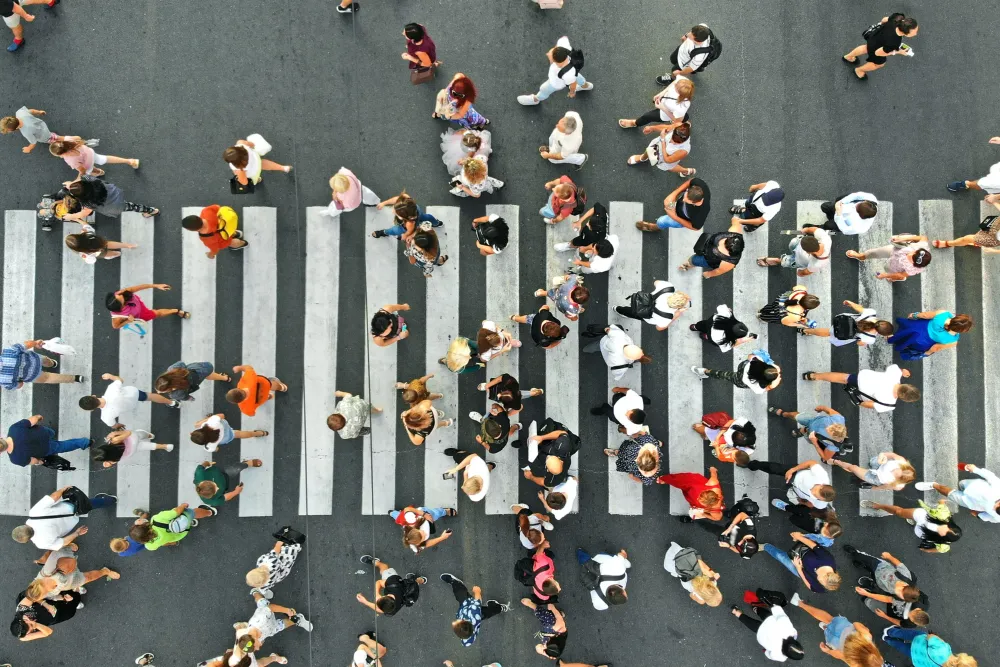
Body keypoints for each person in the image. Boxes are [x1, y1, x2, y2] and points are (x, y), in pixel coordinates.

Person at [843, 545, 928, 628]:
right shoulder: (906, 578)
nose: (895, 591)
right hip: (882, 567)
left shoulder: (900, 600)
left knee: (872, 574)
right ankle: (856, 553)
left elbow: (887, 599)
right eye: (912, 613)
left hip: (881, 583)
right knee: (866, 558)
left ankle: (866, 569)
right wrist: (889, 557)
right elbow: (899, 564)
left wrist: (868, 594)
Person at [787, 595, 883, 666]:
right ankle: (825, 628)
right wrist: (828, 651)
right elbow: (838, 655)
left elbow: (856, 624)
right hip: (835, 642)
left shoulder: (867, 637)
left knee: (828, 618)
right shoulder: (855, 664)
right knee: (829, 632)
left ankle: (799, 603)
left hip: (843, 627)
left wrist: (865, 629)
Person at [11, 486, 116, 550]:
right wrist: (62, 489)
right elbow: (53, 497)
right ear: (22, 526)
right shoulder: (34, 513)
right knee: (89, 503)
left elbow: (64, 542)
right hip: (68, 506)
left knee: (88, 506)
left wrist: (77, 533)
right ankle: (111, 500)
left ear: (27, 540)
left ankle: (107, 501)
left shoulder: (41, 543)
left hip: (73, 519)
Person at [860, 499, 962, 554]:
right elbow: (942, 502)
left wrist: (926, 550)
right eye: (948, 527)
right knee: (898, 511)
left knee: (914, 524)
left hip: (920, 531)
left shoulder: (944, 545)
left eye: (946, 531)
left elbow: (938, 550)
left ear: (943, 538)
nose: (945, 527)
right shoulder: (945, 516)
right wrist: (942, 501)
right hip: (922, 516)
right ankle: (877, 506)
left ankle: (913, 521)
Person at [801, 365, 919, 412]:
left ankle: (813, 376)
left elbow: (895, 368)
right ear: (904, 398)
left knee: (842, 377)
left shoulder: (895, 375)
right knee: (844, 381)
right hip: (861, 390)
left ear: (907, 386)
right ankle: (814, 376)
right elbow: (868, 404)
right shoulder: (889, 404)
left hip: (863, 377)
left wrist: (903, 372)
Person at [80, 372, 179, 427]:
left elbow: (114, 425)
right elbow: (120, 380)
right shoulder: (111, 389)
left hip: (130, 406)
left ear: (92, 409)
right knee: (151, 396)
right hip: (134, 394)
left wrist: (119, 426)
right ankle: (172, 402)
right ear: (93, 396)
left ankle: (172, 403)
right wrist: (110, 376)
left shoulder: (105, 417)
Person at [730, 590, 805, 661]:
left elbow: (780, 615)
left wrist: (773, 605)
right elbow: (769, 654)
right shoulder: (781, 657)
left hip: (770, 621)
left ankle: (756, 608)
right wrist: (766, 651)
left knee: (764, 614)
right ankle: (736, 612)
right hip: (762, 635)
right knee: (751, 623)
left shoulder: (790, 631)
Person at [518, 35, 593, 106]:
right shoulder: (564, 49)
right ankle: (584, 85)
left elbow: (573, 83)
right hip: (572, 73)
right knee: (577, 76)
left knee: (544, 89)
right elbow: (564, 38)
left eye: (550, 56)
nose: (547, 54)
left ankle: (535, 99)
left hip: (557, 82)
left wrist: (572, 92)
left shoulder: (567, 74)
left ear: (557, 62)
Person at [843, 13, 919, 81]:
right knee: (879, 64)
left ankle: (848, 57)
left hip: (875, 36)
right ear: (906, 33)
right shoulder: (895, 42)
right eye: (915, 32)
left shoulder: (898, 17)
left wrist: (881, 24)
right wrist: (899, 52)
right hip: (877, 47)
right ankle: (859, 70)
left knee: (866, 47)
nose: (915, 34)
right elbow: (878, 53)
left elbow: (884, 19)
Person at [916, 463, 1000, 523]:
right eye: (996, 506)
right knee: (961, 483)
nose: (992, 508)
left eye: (994, 510)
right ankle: (957, 487)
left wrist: (978, 515)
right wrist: (975, 469)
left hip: (968, 502)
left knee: (949, 494)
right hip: (973, 486)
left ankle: (934, 485)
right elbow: (990, 477)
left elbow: (989, 518)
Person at [440, 573, 509, 646]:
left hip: (466, 609)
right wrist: (477, 591)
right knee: (489, 611)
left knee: (459, 593)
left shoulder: (466, 641)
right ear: (464, 620)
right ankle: (499, 607)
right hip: (470, 606)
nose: (454, 622)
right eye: (456, 622)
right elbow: (477, 601)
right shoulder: (474, 611)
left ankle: (455, 582)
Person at [2, 414, 92, 468]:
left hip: (46, 449)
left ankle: (85, 442)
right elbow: (33, 420)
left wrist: (40, 462)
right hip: (43, 433)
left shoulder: (15, 459)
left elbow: (33, 461)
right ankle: (53, 433)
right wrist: (38, 417)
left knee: (63, 446)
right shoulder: (14, 429)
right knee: (50, 433)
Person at [762, 532, 841, 593]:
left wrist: (799, 569)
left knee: (780, 557)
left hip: (800, 569)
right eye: (821, 581)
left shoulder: (821, 588)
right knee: (781, 557)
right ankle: (766, 547)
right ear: (827, 575)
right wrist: (799, 537)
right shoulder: (828, 559)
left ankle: (766, 547)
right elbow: (813, 546)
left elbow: (810, 586)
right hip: (804, 553)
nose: (818, 581)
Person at [745, 459, 836, 510]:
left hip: (795, 488)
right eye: (816, 489)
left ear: (821, 500)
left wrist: (802, 501)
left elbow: (811, 504)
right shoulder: (821, 476)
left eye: (816, 495)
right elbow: (811, 463)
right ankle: (754, 465)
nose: (812, 491)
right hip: (796, 473)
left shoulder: (821, 504)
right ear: (822, 484)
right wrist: (792, 470)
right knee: (774, 468)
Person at [798, 300, 893, 347]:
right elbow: (859, 343)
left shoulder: (871, 313)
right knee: (828, 333)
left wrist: (850, 303)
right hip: (844, 333)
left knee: (828, 330)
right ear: (880, 333)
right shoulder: (870, 339)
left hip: (844, 320)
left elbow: (858, 308)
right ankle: (806, 331)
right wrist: (863, 344)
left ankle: (807, 330)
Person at [769, 406, 848, 463]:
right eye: (829, 426)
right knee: (796, 416)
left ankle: (802, 431)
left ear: (834, 437)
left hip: (814, 437)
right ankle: (784, 414)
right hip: (812, 420)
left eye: (828, 431)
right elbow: (828, 410)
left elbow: (825, 457)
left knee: (807, 433)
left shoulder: (834, 446)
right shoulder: (838, 419)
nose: (826, 428)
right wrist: (821, 408)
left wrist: (814, 442)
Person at [57, 175, 158, 220]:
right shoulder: (88, 179)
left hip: (113, 206)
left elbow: (85, 213)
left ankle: (152, 211)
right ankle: (150, 210)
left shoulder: (86, 203)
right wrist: (71, 185)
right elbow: (81, 178)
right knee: (130, 205)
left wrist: (71, 217)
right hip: (113, 192)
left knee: (130, 207)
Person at [128, 503, 217, 551]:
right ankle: (210, 512)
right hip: (180, 519)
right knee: (193, 513)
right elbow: (175, 512)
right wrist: (182, 506)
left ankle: (190, 523)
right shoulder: (157, 519)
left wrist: (172, 543)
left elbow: (163, 544)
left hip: (180, 533)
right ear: (144, 525)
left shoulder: (149, 546)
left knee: (185, 524)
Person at [356, 554, 426, 616]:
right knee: (384, 567)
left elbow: (379, 610)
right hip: (397, 583)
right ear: (387, 595)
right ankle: (376, 562)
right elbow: (379, 582)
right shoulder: (392, 584)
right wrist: (377, 595)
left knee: (414, 583)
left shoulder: (392, 611)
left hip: (407, 592)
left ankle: (422, 580)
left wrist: (365, 602)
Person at [888, 310, 972, 360]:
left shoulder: (944, 314)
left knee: (908, 329)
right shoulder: (953, 340)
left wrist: (914, 315)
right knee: (912, 343)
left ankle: (894, 336)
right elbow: (936, 347)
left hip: (918, 326)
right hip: (921, 342)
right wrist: (927, 353)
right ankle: (900, 345)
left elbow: (925, 315)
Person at [245, 528, 304, 599]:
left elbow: (263, 587)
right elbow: (276, 550)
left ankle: (296, 549)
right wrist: (280, 541)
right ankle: (297, 548)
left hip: (280, 573)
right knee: (290, 552)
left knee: (288, 562)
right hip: (282, 560)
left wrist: (262, 590)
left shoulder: (266, 583)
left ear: (262, 583)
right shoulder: (262, 561)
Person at [846, 233, 931, 282]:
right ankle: (861, 256)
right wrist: (904, 238)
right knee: (875, 252)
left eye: (910, 258)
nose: (909, 254)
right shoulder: (922, 247)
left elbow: (900, 274)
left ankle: (895, 279)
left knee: (889, 271)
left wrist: (884, 275)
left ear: (914, 264)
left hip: (896, 266)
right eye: (913, 252)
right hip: (895, 250)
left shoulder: (912, 269)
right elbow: (923, 238)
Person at [618, 75, 693, 130]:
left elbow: (676, 120)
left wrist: (662, 108)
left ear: (680, 94)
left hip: (664, 113)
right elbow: (674, 83)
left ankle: (635, 123)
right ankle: (684, 122)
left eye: (676, 88)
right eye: (676, 85)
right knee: (683, 116)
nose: (674, 85)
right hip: (664, 103)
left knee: (647, 116)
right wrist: (661, 93)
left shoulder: (681, 108)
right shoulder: (684, 82)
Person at [1, 339, 81, 390]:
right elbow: (26, 344)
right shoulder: (7, 352)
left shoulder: (2, 381)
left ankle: (76, 378)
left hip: (32, 375)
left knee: (48, 378)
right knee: (45, 360)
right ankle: (52, 364)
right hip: (35, 359)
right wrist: (35, 343)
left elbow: (19, 385)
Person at [692, 349, 781, 394]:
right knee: (724, 375)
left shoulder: (758, 362)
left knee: (723, 374)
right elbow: (765, 389)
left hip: (743, 367)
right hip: (740, 380)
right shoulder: (758, 386)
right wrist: (772, 386)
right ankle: (705, 372)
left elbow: (750, 356)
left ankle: (706, 372)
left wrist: (773, 368)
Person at [636, 177, 710, 231]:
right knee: (668, 205)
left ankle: (655, 227)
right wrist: (674, 194)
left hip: (681, 218)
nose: (683, 199)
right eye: (685, 194)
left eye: (687, 200)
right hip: (678, 209)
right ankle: (668, 214)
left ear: (695, 202)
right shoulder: (699, 184)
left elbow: (695, 227)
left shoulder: (700, 215)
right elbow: (691, 181)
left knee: (662, 221)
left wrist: (674, 216)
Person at [523, 419, 580, 489]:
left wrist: (530, 477)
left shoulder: (554, 480)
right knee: (544, 430)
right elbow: (562, 433)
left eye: (547, 459)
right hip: (562, 443)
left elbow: (543, 482)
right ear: (559, 459)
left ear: (548, 470)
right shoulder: (563, 446)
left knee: (539, 452)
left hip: (554, 449)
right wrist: (542, 438)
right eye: (549, 457)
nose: (547, 457)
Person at [106, 284, 188, 331]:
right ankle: (176, 311)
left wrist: (156, 286)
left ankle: (176, 311)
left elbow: (139, 287)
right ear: (121, 306)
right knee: (157, 313)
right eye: (121, 297)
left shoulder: (119, 293)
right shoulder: (117, 318)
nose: (121, 294)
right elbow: (115, 326)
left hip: (137, 303)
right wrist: (127, 321)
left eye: (118, 295)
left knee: (156, 313)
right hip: (140, 315)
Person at [679, 217, 744, 277]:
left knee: (693, 260)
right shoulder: (735, 231)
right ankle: (688, 265)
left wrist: (708, 274)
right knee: (693, 260)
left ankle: (687, 265)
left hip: (706, 260)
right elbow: (735, 219)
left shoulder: (729, 263)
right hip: (707, 247)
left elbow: (718, 271)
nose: (721, 243)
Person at [582, 324, 650, 381]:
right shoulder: (619, 363)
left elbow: (608, 329)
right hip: (610, 352)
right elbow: (615, 371)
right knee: (588, 349)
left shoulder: (621, 336)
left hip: (603, 344)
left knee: (587, 349)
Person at [615, 280, 690, 332]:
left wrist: (680, 295)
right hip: (645, 314)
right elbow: (659, 328)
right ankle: (618, 310)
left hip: (643, 299)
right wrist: (675, 316)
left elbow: (656, 282)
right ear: (678, 307)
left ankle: (618, 309)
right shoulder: (667, 317)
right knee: (633, 313)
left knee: (632, 306)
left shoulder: (668, 287)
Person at [663, 542, 722, 607]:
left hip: (687, 556)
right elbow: (691, 595)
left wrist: (713, 575)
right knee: (671, 568)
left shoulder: (713, 580)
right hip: (678, 565)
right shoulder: (697, 595)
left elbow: (703, 565)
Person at [11, 588, 82, 641]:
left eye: (28, 623)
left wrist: (46, 605)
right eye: (30, 629)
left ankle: (76, 591)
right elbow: (48, 632)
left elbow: (34, 596)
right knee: (70, 613)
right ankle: (74, 603)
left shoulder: (21, 609)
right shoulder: (23, 636)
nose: (32, 626)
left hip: (46, 603)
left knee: (67, 596)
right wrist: (36, 625)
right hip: (51, 617)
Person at [758, 227, 832, 277]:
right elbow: (815, 230)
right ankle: (787, 257)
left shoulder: (817, 264)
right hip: (800, 254)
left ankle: (778, 261)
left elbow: (805, 272)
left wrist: (799, 272)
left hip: (799, 261)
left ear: (808, 252)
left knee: (785, 262)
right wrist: (806, 230)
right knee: (794, 242)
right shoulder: (826, 239)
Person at [627, 121, 694, 175]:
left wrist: (663, 141)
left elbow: (667, 160)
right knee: (649, 150)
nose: (672, 142)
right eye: (673, 139)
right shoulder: (678, 125)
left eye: (677, 142)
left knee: (670, 167)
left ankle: (685, 170)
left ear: (685, 140)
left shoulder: (684, 150)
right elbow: (666, 128)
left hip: (665, 157)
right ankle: (642, 158)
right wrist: (652, 128)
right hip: (658, 146)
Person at [882, 629, 977, 667]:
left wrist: (936, 637)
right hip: (916, 657)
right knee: (901, 647)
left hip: (919, 641)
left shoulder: (944, 649)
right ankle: (887, 639)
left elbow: (930, 638)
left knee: (905, 634)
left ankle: (890, 632)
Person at [224, 134, 291, 187]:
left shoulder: (240, 169)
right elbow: (252, 144)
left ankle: (258, 179)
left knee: (254, 180)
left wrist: (236, 175)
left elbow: (244, 182)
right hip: (256, 159)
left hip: (254, 172)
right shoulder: (241, 143)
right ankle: (283, 168)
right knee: (264, 163)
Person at [181, 205, 248, 258]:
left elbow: (215, 249)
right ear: (198, 218)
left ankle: (242, 243)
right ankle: (236, 234)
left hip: (223, 239)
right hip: (226, 226)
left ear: (193, 230)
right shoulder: (206, 211)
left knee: (232, 242)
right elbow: (217, 207)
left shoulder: (206, 238)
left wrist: (210, 255)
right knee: (228, 232)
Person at [658, 468, 725, 521]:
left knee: (682, 480)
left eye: (700, 500)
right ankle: (667, 479)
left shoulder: (715, 510)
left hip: (695, 488)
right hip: (695, 484)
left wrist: (712, 469)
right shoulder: (714, 484)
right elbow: (713, 475)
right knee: (682, 479)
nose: (698, 498)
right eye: (700, 496)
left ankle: (666, 479)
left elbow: (717, 518)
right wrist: (713, 470)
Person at [49, 137, 138, 176]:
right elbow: (78, 138)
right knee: (104, 158)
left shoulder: (69, 160)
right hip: (90, 153)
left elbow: (82, 170)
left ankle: (99, 172)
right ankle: (129, 161)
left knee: (89, 171)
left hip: (88, 164)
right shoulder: (68, 141)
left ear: (61, 154)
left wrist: (80, 177)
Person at [373, 192, 443, 240]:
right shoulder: (406, 199)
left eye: (397, 213)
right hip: (417, 211)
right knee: (427, 217)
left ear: (405, 217)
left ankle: (384, 232)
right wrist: (384, 203)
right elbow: (397, 199)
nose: (393, 211)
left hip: (406, 225)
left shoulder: (409, 223)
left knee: (394, 230)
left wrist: (405, 236)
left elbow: (409, 231)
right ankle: (436, 223)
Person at [194, 459, 263, 507]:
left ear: (207, 481)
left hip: (220, 471)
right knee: (233, 473)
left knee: (235, 469)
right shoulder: (211, 501)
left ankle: (247, 463)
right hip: (225, 485)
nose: (218, 488)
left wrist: (208, 463)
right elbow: (225, 497)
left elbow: (203, 465)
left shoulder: (200, 474)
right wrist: (236, 492)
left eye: (215, 486)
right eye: (216, 490)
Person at [832, 452, 914, 492]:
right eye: (896, 469)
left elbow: (884, 486)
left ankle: (836, 462)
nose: (893, 471)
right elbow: (888, 454)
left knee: (853, 468)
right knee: (872, 462)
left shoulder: (898, 486)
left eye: (895, 474)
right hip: (880, 464)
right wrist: (882, 457)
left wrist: (874, 488)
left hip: (876, 477)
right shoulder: (901, 461)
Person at [690, 304, 756, 352]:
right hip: (712, 337)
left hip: (711, 323)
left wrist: (729, 310)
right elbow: (726, 348)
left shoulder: (727, 315)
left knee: (702, 324)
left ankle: (695, 327)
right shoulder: (725, 340)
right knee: (709, 338)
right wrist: (744, 340)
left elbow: (720, 307)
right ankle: (705, 336)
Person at [392, 505, 457, 554]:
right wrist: (442, 538)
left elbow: (407, 509)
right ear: (418, 543)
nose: (425, 534)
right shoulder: (415, 546)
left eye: (422, 532)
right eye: (423, 538)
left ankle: (445, 511)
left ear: (415, 529)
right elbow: (426, 544)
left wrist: (424, 514)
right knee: (398, 516)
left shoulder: (411, 519)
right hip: (428, 522)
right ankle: (392, 513)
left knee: (436, 513)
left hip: (425, 515)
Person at [94, 429, 173, 468]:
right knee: (139, 433)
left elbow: (107, 464)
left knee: (147, 446)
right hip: (132, 439)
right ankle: (149, 436)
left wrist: (107, 462)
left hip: (131, 450)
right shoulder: (113, 441)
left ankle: (166, 446)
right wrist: (115, 433)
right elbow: (128, 433)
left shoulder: (112, 459)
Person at [63, 221, 137, 263]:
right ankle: (128, 245)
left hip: (98, 253)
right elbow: (87, 226)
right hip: (100, 243)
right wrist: (78, 220)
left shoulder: (82, 253)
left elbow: (92, 260)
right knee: (111, 244)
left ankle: (116, 254)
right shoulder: (86, 234)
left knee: (110, 254)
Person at [154, 361, 228, 403]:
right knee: (207, 372)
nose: (158, 392)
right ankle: (224, 378)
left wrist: (190, 398)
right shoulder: (172, 369)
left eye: (162, 391)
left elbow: (185, 397)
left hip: (196, 381)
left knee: (206, 376)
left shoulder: (175, 394)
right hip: (196, 370)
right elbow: (182, 364)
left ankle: (223, 378)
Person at [189, 413, 267, 452]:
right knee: (196, 424)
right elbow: (222, 415)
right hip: (223, 426)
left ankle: (258, 434)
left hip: (225, 438)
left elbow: (216, 449)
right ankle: (259, 433)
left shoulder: (209, 446)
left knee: (238, 434)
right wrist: (209, 419)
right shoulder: (210, 424)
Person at [769, 501, 843, 542]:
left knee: (795, 519)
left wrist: (802, 537)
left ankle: (789, 509)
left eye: (826, 535)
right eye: (824, 531)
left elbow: (812, 538)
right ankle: (786, 507)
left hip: (809, 525)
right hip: (810, 512)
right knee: (797, 509)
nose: (823, 534)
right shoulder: (829, 511)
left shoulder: (827, 540)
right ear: (827, 524)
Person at [477, 373, 542, 416]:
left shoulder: (511, 383)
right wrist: (505, 414)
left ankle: (534, 392)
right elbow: (519, 407)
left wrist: (487, 386)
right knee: (520, 395)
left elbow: (500, 379)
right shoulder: (512, 385)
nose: (498, 395)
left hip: (514, 394)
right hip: (515, 397)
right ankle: (535, 392)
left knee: (520, 394)